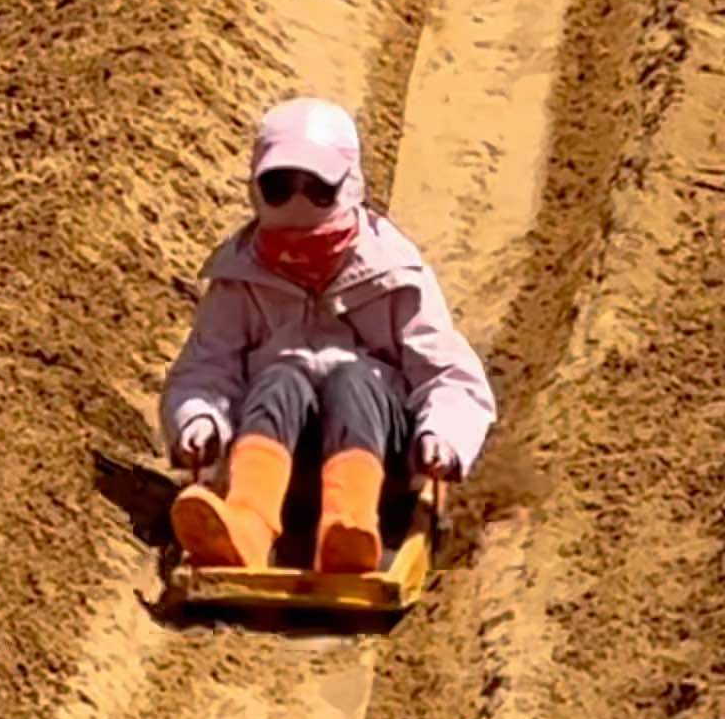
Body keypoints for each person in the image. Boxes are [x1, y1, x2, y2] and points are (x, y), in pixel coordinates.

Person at [162, 97, 493, 573]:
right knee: (282, 378)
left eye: (315, 187)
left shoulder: (394, 273)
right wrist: (198, 420)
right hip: (281, 454)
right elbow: (206, 368)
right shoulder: (240, 278)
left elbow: (447, 374)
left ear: (347, 184)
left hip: (379, 456)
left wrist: (443, 435)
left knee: (353, 379)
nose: (297, 198)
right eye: (281, 186)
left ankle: (349, 526)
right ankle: (247, 526)